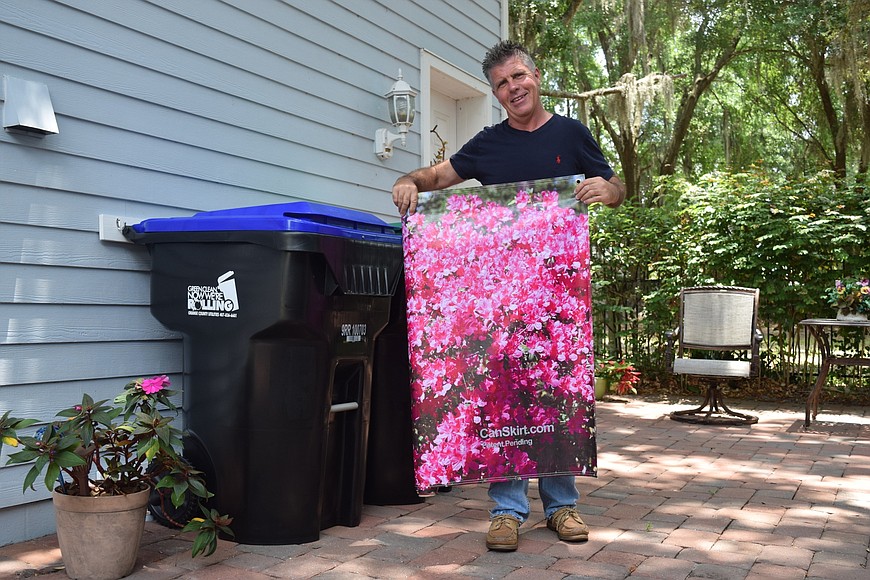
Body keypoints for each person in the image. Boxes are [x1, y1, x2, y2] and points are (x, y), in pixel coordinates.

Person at [391, 40, 625, 552]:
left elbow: (615, 184)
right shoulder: (488, 145)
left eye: (518, 76)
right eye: (501, 83)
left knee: (556, 394)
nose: (513, 87)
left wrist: (608, 190)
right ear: (496, 94)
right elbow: (437, 178)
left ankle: (562, 507)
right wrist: (408, 179)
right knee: (504, 396)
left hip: (558, 297)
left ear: (536, 77)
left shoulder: (571, 134)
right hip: (498, 301)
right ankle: (506, 512)